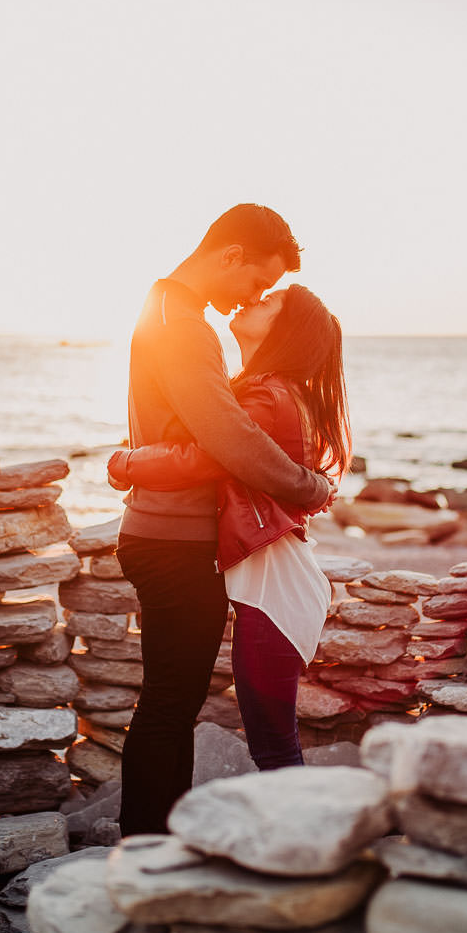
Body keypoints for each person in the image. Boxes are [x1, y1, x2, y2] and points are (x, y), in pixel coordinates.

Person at [113, 204, 333, 836]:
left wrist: (132, 463)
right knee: (169, 706)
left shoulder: (163, 310)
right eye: (258, 283)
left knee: (167, 701)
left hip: (164, 532)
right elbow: (226, 440)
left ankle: (148, 846)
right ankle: (150, 851)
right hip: (174, 538)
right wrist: (305, 485)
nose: (252, 297)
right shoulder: (183, 325)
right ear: (231, 256)